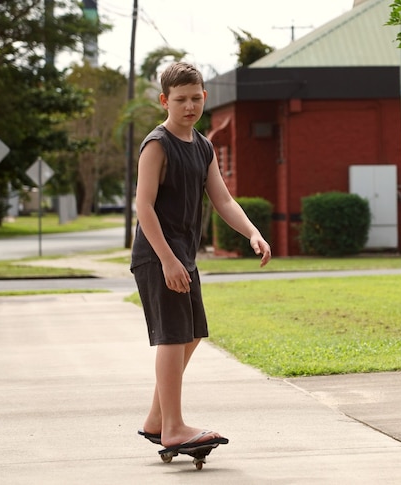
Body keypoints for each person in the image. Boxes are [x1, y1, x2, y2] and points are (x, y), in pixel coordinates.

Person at [131, 61, 271, 451]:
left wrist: (252, 232)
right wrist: (167, 261)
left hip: (182, 255)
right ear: (165, 101)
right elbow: (143, 207)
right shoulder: (157, 145)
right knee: (173, 337)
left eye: (195, 98)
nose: (189, 106)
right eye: (180, 100)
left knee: (190, 335)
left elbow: (223, 198)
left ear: (204, 97)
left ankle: (158, 418)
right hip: (158, 254)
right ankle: (173, 427)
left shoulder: (204, 146)